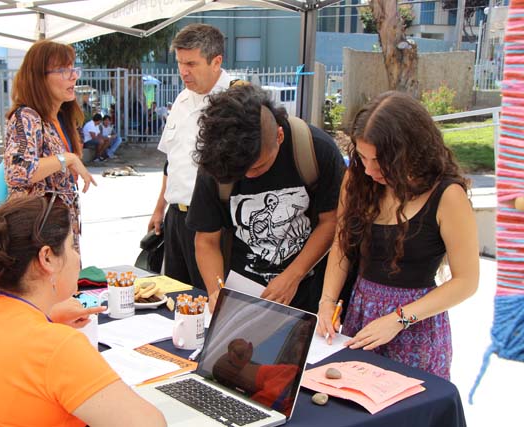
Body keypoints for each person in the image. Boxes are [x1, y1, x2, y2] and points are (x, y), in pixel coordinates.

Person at [0, 196, 166, 427]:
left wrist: (48, 319)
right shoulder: (57, 346)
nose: (77, 257)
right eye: (72, 246)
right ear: (47, 258)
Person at [317, 91, 479, 380]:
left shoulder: (447, 195)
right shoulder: (357, 178)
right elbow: (342, 243)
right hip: (361, 315)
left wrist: (398, 319)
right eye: (362, 157)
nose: (369, 170)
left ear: (409, 153)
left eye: (380, 161)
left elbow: (466, 282)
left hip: (417, 326)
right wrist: (327, 301)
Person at [186, 84, 345, 313]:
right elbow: (206, 240)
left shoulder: (315, 149)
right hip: (242, 296)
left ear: (279, 136)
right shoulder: (218, 161)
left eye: (258, 167)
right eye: (241, 172)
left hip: (307, 298)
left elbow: (331, 221)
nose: (249, 176)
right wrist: (216, 292)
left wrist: (293, 276)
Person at [149, 23, 232, 290]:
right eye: (180, 63)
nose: (183, 71)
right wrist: (160, 208)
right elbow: (172, 161)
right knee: (176, 298)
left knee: (212, 302)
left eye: (191, 64)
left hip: (214, 224)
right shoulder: (182, 99)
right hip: (176, 218)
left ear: (216, 62)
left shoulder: (235, 102)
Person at [3, 40, 96, 251]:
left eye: (73, 68)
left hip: (61, 235)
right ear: (39, 77)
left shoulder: (61, 119)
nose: (74, 76)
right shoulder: (26, 117)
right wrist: (68, 158)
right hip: (36, 238)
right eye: (63, 70)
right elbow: (18, 170)